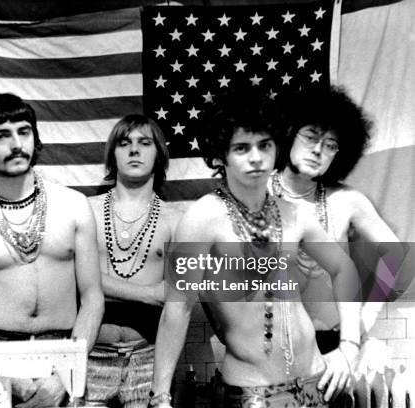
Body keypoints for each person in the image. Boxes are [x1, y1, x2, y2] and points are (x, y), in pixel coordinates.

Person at [150, 91, 362, 408]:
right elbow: (176, 310)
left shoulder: (292, 211)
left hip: (318, 381)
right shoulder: (201, 219)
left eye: (264, 145)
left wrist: (350, 345)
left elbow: (344, 268)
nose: (256, 157)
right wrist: (160, 397)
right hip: (254, 394)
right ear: (221, 155)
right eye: (241, 148)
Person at [0, 93, 104, 408]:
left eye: (24, 131)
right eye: (1, 135)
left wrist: (67, 371)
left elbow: (92, 298)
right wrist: (15, 380)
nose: (16, 143)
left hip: (65, 354)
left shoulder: (74, 206)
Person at [270, 87, 400, 353]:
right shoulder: (256, 194)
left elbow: (397, 255)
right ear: (287, 133)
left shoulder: (348, 200)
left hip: (336, 348)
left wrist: (366, 318)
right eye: (310, 137)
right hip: (271, 350)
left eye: (330, 145)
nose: (318, 150)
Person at [85, 115, 181, 408]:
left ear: (159, 153)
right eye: (124, 143)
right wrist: (150, 294)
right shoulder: (85, 211)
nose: (134, 151)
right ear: (112, 154)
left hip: (149, 357)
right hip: (91, 354)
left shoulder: (176, 221)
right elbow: (75, 282)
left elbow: (177, 299)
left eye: (144, 143)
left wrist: (100, 287)